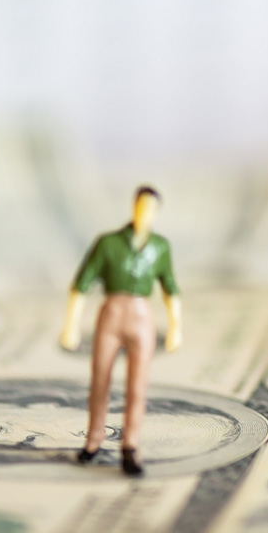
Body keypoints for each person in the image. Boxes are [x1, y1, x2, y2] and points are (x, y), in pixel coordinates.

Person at [59, 186, 183, 476]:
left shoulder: (160, 247)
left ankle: (130, 445)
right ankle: (93, 440)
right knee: (100, 380)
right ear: (133, 206)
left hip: (141, 317)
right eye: (141, 206)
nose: (145, 213)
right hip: (111, 315)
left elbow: (171, 288)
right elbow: (81, 284)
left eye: (151, 208)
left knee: (137, 387)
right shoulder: (108, 244)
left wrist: (176, 326)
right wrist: (71, 325)